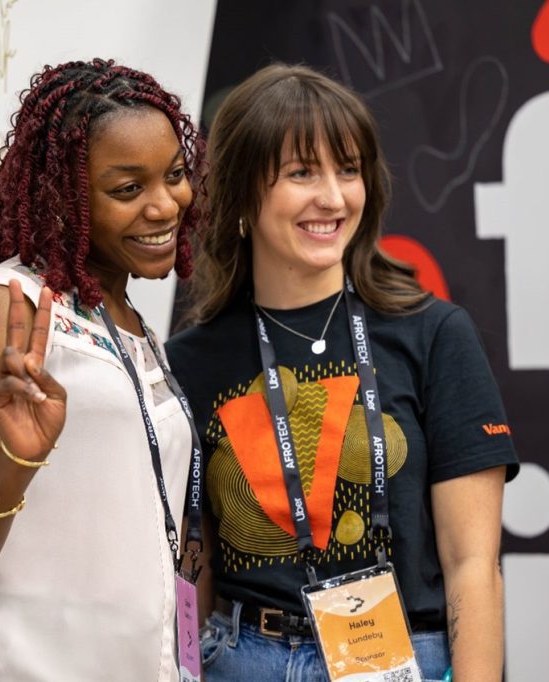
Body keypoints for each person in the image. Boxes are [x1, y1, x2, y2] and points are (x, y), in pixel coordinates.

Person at [165, 63, 519, 682]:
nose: (333, 197)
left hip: (402, 657)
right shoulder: (190, 362)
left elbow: (473, 564)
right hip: (244, 660)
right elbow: (194, 567)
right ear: (243, 191)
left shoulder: (433, 334)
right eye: (302, 172)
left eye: (348, 170)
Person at [0, 58, 204, 682]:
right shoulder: (5, 307)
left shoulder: (137, 329)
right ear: (62, 196)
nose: (164, 205)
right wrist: (15, 463)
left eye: (175, 175)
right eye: (128, 189)